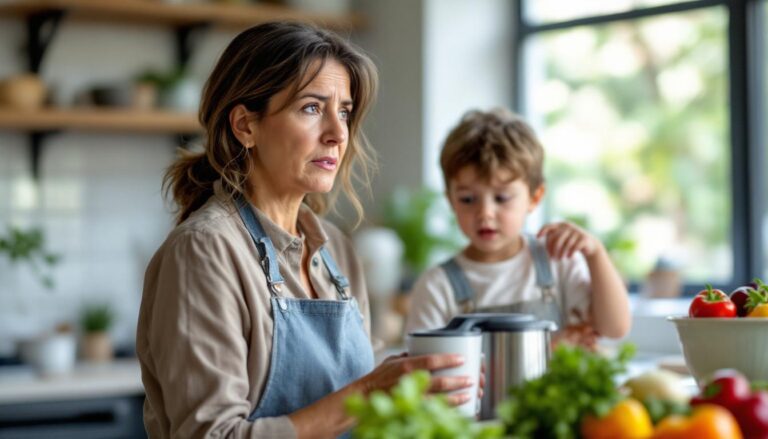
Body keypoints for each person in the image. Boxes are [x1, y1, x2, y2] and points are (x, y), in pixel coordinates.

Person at [136, 22, 476, 439]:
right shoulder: (204, 251)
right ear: (245, 125)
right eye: (312, 108)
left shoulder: (338, 251)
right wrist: (369, 390)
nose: (337, 135)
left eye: (345, 112)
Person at [404, 108, 631, 347]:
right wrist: (551, 348)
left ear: (535, 197)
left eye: (501, 198)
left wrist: (595, 254)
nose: (485, 213)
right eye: (468, 199)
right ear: (450, 200)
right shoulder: (436, 286)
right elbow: (426, 368)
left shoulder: (557, 259)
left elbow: (614, 328)